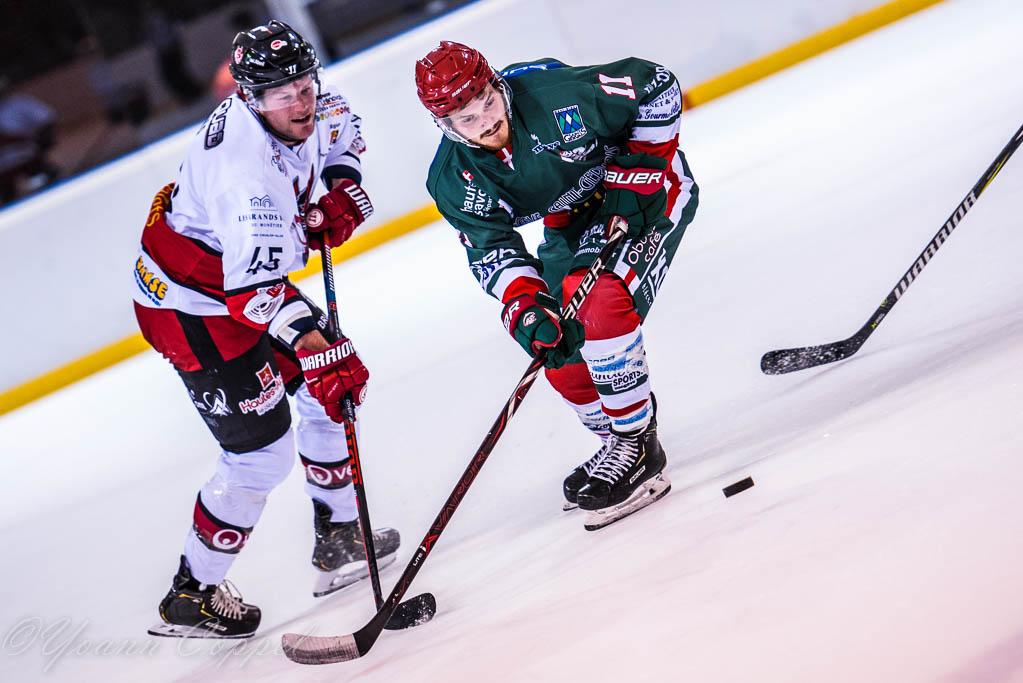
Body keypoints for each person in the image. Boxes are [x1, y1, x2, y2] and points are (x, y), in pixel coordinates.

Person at [133, 21, 397, 639]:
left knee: (326, 389)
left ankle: (339, 537)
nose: (301, 102)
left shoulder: (304, 103)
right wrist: (313, 345)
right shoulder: (244, 178)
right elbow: (251, 295)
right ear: (250, 98)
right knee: (261, 454)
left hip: (237, 277)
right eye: (283, 95)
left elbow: (340, 125)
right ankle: (191, 594)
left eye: (304, 84)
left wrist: (342, 189)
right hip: (190, 304)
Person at [416, 43, 698, 530]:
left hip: (645, 194)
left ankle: (637, 445)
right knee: (556, 344)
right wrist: (524, 304)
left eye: (488, 101)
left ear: (498, 85)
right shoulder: (453, 180)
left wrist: (640, 172)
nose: (486, 121)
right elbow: (491, 251)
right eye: (466, 118)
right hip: (571, 223)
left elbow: (656, 86)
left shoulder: (556, 95)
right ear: (444, 125)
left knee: (596, 301)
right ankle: (617, 442)